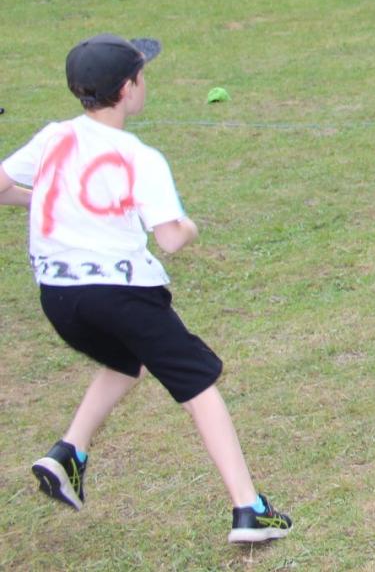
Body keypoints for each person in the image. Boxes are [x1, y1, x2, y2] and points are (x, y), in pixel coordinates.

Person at [0, 35, 293, 545]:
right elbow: (171, 239)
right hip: (123, 295)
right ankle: (249, 509)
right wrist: (190, 225)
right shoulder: (139, 156)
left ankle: (68, 453)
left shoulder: (53, 136)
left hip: (60, 298)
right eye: (143, 75)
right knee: (198, 386)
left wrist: (49, 199)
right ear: (128, 89)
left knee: (125, 361)